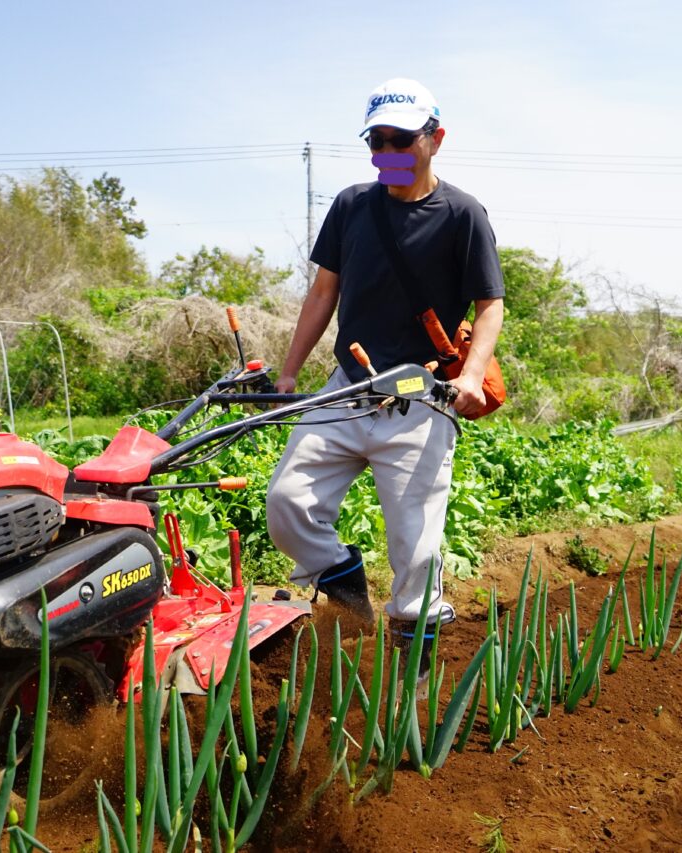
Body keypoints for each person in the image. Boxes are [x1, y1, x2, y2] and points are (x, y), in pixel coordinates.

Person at [265, 78, 505, 665]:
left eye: (400, 140)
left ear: (435, 139)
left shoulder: (463, 215)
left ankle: (411, 685)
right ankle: (341, 573)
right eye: (377, 141)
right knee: (287, 501)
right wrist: (291, 373)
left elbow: (490, 304)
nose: (387, 154)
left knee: (416, 553)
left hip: (421, 400)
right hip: (349, 387)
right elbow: (325, 291)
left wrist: (470, 376)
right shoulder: (351, 205)